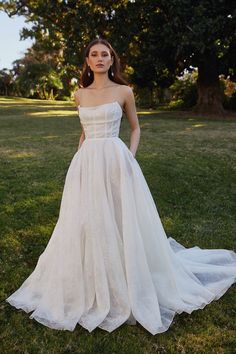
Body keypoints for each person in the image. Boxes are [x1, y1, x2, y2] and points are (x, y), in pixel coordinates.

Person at [6, 38, 236, 335]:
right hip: (86, 163)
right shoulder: (79, 95)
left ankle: (127, 275)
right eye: (94, 55)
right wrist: (78, 162)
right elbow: (84, 133)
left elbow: (136, 127)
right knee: (87, 219)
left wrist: (130, 156)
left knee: (119, 215)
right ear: (87, 61)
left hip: (117, 159)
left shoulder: (124, 91)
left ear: (112, 60)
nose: (100, 58)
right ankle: (92, 276)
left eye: (105, 54)